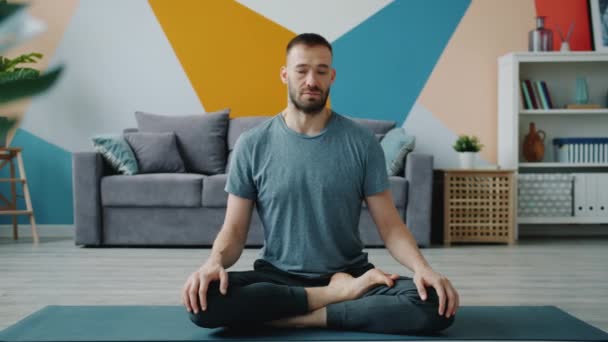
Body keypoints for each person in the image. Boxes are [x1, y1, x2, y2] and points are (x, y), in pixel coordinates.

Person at [181, 33, 459, 334]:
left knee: (434, 304)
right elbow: (233, 230)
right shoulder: (252, 144)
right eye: (301, 70)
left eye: (321, 71)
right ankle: (334, 298)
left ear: (332, 76)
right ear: (285, 74)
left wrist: (422, 269)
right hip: (277, 278)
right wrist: (213, 264)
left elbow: (391, 227)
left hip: (350, 273)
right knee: (204, 299)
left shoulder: (362, 143)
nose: (311, 80)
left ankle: (302, 316)